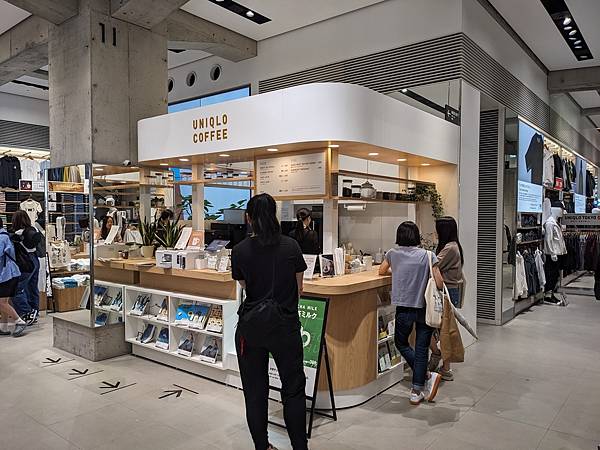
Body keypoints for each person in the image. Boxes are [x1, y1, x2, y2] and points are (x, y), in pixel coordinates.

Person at [232, 193, 308, 450]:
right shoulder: (291, 246)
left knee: (255, 392)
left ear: (249, 218)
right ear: (274, 215)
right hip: (285, 326)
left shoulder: (240, 250)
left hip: (251, 328)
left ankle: (262, 446)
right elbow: (299, 289)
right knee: (293, 390)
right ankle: (300, 447)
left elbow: (246, 286)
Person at [379, 221, 443, 405]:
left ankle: (425, 376)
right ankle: (417, 389)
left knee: (401, 343)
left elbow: (381, 271)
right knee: (422, 348)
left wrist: (399, 270)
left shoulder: (392, 254)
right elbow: (439, 283)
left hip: (404, 308)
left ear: (399, 236)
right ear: (416, 236)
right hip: (424, 308)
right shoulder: (428, 255)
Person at [428, 217, 464, 381]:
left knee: (443, 330)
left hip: (446, 292)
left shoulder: (450, 248)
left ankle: (445, 367)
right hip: (449, 291)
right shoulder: (453, 246)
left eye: (437, 230)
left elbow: (433, 265)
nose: (435, 233)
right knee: (442, 329)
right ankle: (441, 360)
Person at [10, 210, 42, 325]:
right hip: (35, 259)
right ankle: (34, 312)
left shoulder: (18, 234)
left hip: (24, 262)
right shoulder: (34, 230)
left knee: (17, 289)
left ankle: (26, 312)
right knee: (32, 287)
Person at [0, 217, 26, 337]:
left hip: (7, 274)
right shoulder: (5, 236)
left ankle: (19, 321)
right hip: (9, 274)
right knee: (3, 301)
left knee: (2, 302)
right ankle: (3, 327)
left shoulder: (2, 237)